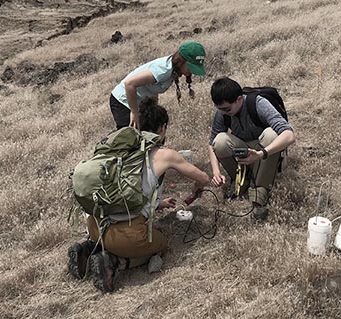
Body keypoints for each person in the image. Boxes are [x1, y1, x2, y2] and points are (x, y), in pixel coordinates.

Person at [68, 99, 210, 293]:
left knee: (111, 236)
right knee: (163, 242)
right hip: (128, 237)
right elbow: (204, 177)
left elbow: (127, 190)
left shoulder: (118, 148)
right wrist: (196, 189)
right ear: (162, 127)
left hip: (95, 225)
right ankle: (115, 262)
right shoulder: (164, 154)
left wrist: (157, 203)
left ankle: (87, 247)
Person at [207, 77, 296, 220]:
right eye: (220, 109)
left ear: (239, 99)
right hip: (245, 149)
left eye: (227, 109)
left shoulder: (258, 104)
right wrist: (216, 172)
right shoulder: (222, 113)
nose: (223, 113)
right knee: (220, 141)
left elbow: (289, 135)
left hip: (264, 150)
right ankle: (240, 181)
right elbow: (212, 144)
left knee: (271, 135)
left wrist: (261, 154)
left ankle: (260, 190)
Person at [109, 41, 206, 129]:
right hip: (123, 101)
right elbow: (129, 84)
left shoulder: (172, 71)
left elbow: (152, 88)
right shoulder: (163, 70)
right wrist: (134, 112)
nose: (192, 72)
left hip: (138, 103)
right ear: (182, 62)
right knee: (130, 139)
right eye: (191, 67)